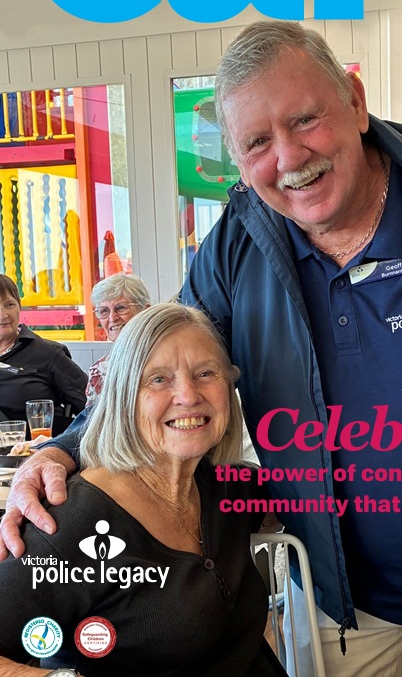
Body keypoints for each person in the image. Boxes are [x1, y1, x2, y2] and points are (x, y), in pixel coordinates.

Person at [2, 22, 402, 677]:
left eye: (305, 119)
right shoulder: (239, 241)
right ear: (237, 159)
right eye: (257, 142)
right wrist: (64, 448)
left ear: (355, 104)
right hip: (336, 588)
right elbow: (160, 371)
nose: (288, 157)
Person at [0, 303, 286, 676]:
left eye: (205, 373)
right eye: (158, 379)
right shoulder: (69, 523)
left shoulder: (225, 485)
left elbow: (300, 504)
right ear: (123, 398)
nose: (188, 395)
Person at [0, 274, 87, 421]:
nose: (3, 315)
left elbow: (93, 407)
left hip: (37, 435)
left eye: (9, 305)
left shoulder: (49, 354)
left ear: (19, 306)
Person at [85, 272, 151, 408]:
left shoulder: (168, 358)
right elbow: (94, 419)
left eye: (120, 308)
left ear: (145, 311)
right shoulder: (100, 371)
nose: (112, 318)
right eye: (104, 311)